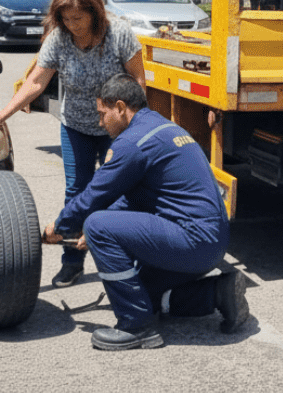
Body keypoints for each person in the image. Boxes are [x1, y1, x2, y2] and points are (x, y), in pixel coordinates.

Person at [42, 74, 250, 351]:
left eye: (103, 114)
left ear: (120, 107)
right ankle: (220, 294)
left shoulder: (132, 143)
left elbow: (94, 196)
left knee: (96, 225)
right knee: (143, 293)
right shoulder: (164, 128)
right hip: (212, 243)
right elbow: (133, 199)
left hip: (192, 241)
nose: (100, 122)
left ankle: (135, 327)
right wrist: (96, 232)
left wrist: (59, 227)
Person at [0, 0, 145, 288]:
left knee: (119, 193)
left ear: (94, 12)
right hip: (75, 126)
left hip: (116, 129)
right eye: (65, 18)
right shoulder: (59, 39)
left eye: (77, 18)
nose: (71, 24)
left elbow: (138, 82)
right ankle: (72, 263)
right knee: (77, 192)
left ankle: (125, 262)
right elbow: (36, 82)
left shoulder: (119, 34)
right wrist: (4, 113)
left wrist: (129, 134)